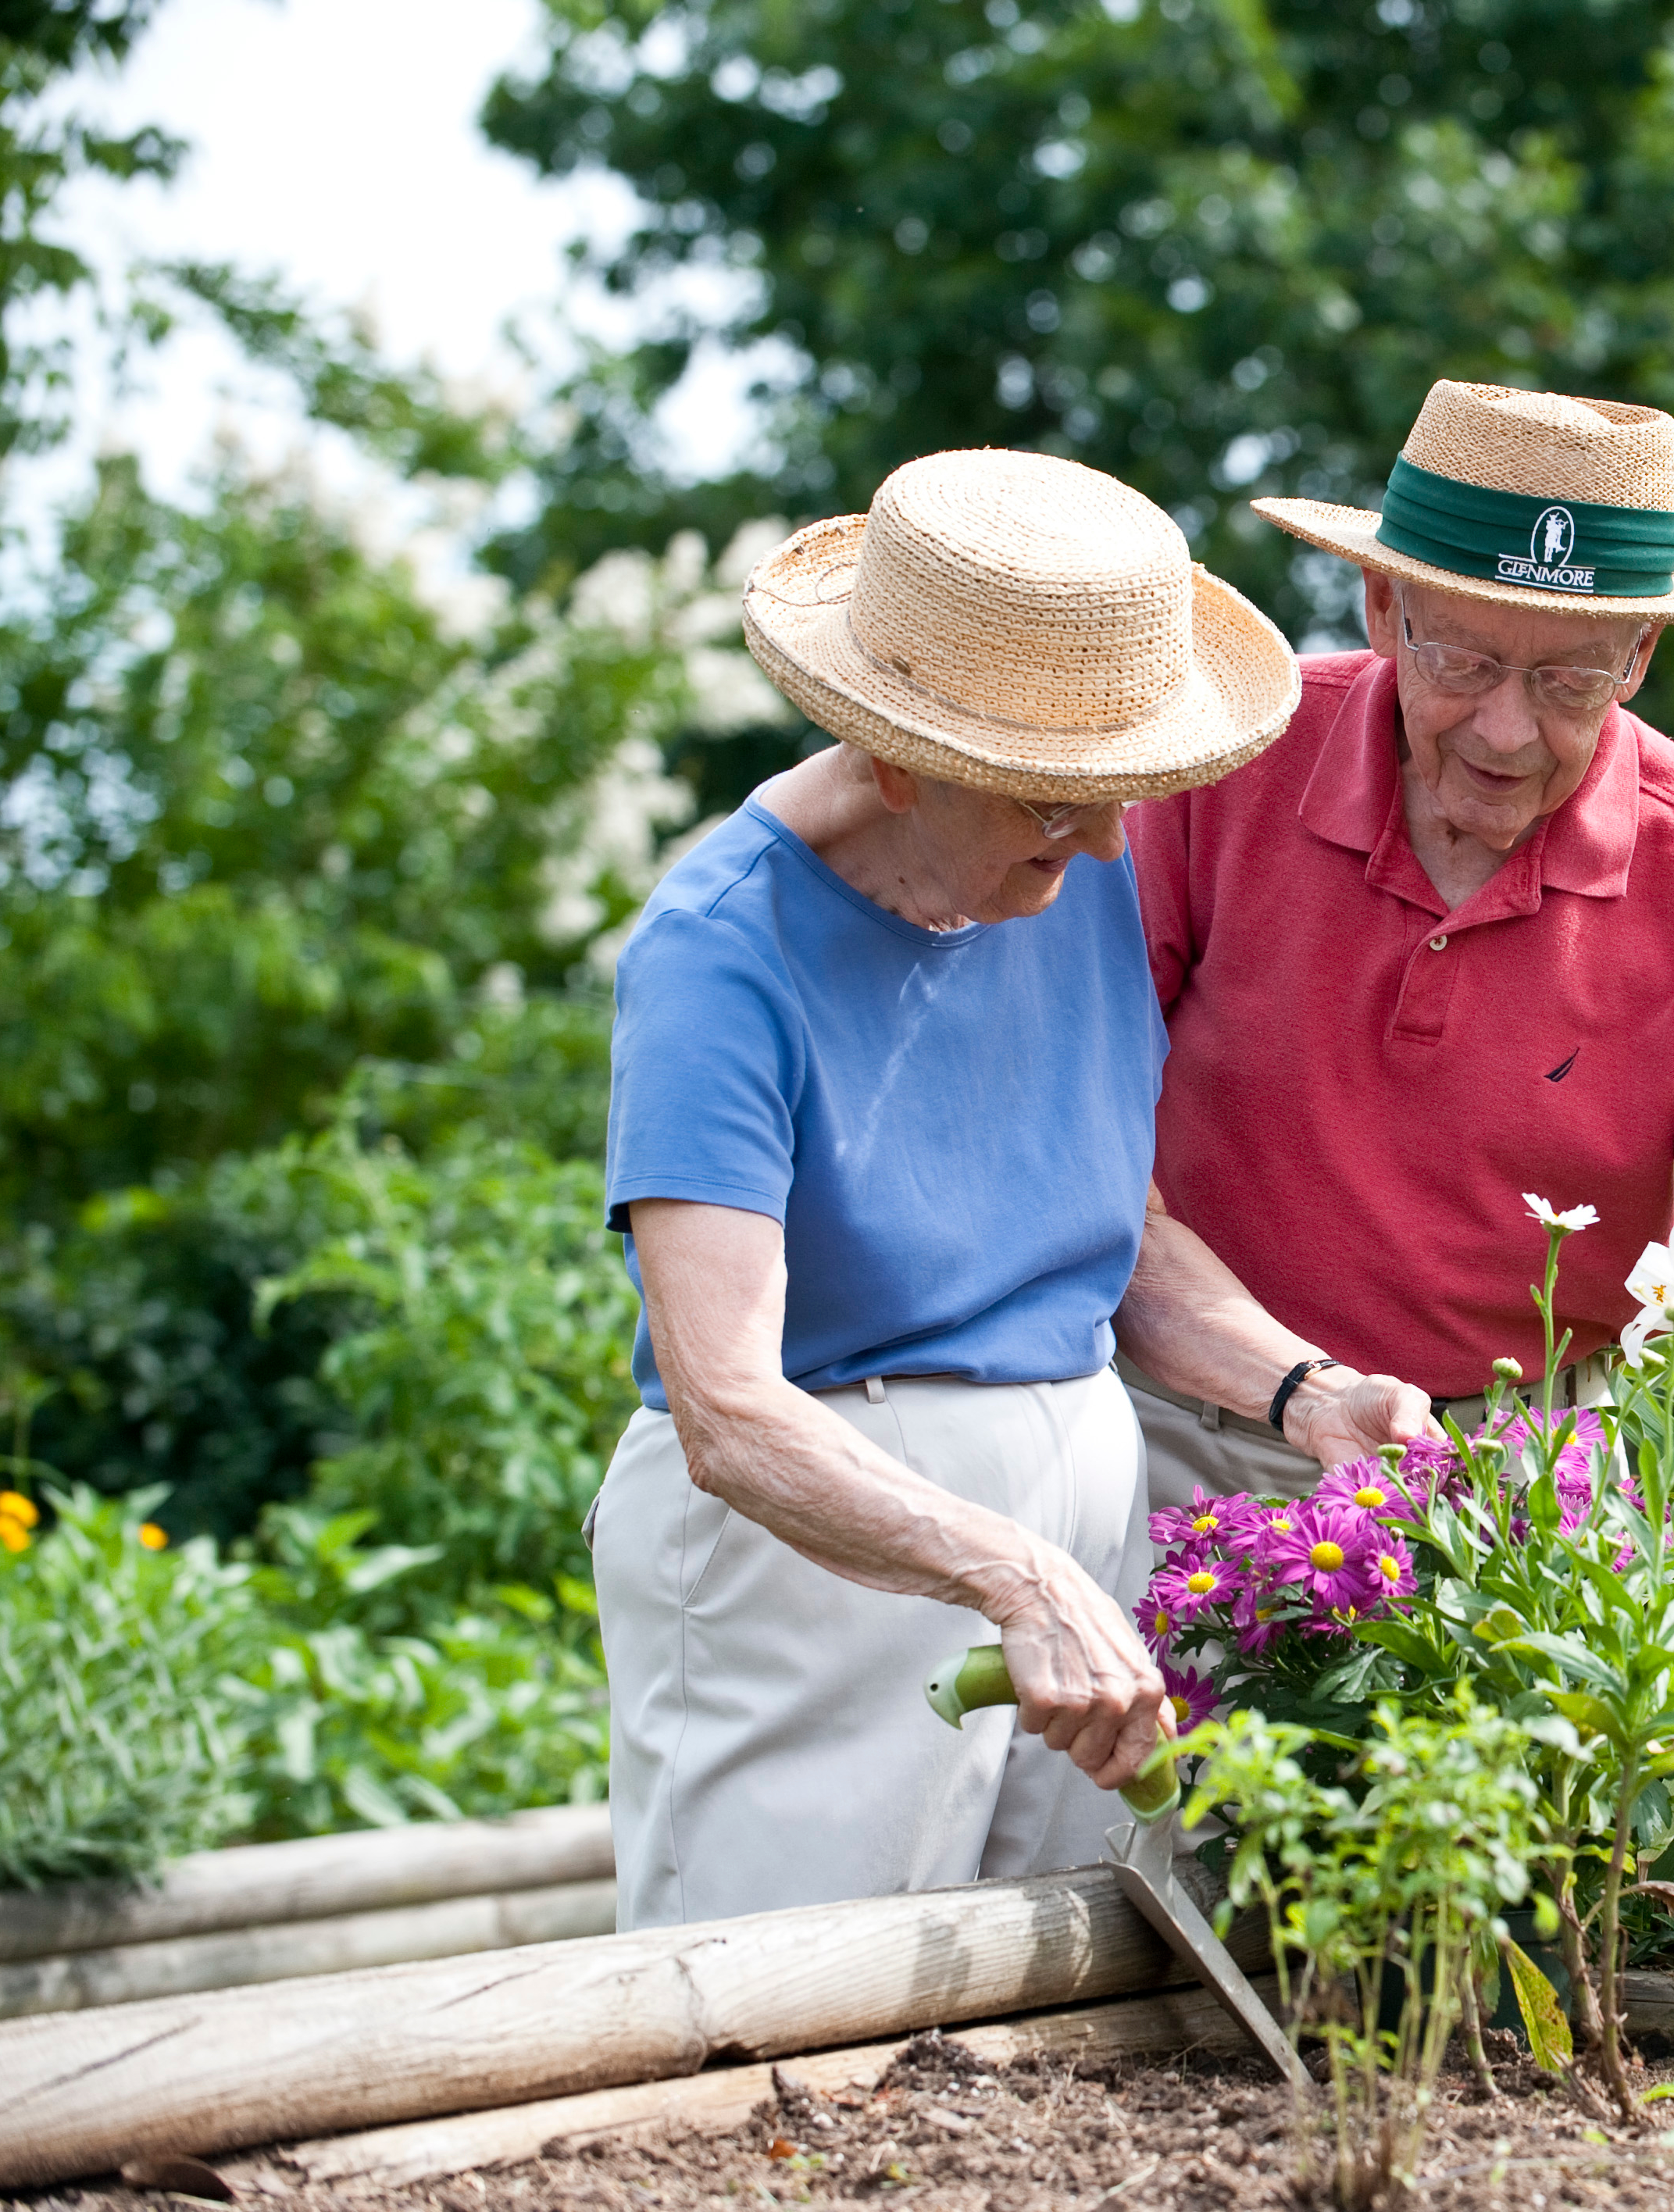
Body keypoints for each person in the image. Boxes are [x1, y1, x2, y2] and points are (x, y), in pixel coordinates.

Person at [591, 448, 1426, 1930]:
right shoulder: (720, 951)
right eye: (1061, 796)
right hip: (818, 1567)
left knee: (1023, 2044)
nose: (1113, 839)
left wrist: (1301, 1395)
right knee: (771, 2033)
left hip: (1066, 1548)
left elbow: (1111, 1241)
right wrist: (1010, 1576)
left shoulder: (1064, 866)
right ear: (897, 750)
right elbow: (727, 1410)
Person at [1121, 380, 1674, 1678]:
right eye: (1463, 663)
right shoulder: (1218, 775)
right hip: (1180, 1424)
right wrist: (1289, 1388)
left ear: (1640, 658)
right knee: (1141, 1863)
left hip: (1519, 1484)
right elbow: (1078, 1161)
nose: (1509, 732)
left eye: (1572, 681)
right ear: (1383, 608)